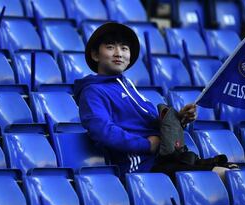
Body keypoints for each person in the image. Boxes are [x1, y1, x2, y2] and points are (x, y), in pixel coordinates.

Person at [74, 22, 233, 180]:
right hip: (141, 167)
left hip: (164, 159)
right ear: (95, 55)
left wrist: (178, 120)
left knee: (231, 171)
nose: (118, 53)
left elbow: (150, 123)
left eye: (124, 48)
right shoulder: (92, 91)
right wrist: (146, 145)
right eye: (110, 47)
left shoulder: (127, 85)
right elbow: (102, 131)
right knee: (221, 175)